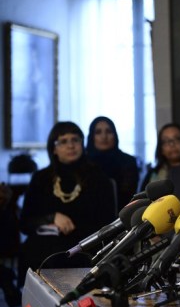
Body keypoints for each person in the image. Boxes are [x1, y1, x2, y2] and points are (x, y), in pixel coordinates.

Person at [18, 122, 117, 285]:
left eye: (75, 140)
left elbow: (107, 225)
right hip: (45, 248)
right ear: (54, 149)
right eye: (63, 141)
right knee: (35, 252)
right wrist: (52, 217)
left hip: (85, 246)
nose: (70, 145)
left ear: (82, 144)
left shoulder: (98, 177)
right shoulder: (41, 178)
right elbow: (25, 224)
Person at [86, 116, 140, 210]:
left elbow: (128, 198)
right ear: (91, 136)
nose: (104, 137)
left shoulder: (127, 161)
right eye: (98, 132)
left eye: (109, 131)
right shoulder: (83, 162)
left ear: (115, 134)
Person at [140, 122, 180, 191]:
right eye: (166, 141)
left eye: (177, 139)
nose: (172, 144)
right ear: (161, 149)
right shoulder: (153, 174)